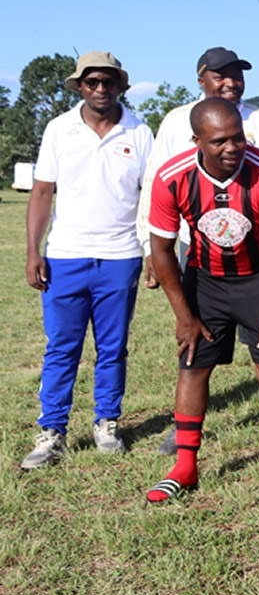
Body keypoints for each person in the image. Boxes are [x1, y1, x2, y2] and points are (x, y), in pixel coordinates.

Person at [137, 46, 259, 456]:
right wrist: (184, 315)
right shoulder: (173, 171)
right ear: (196, 140)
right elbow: (162, 245)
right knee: (192, 361)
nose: (232, 147)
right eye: (219, 141)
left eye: (238, 138)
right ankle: (184, 457)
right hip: (204, 272)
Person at [20, 52, 153, 471]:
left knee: (112, 348)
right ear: (79, 86)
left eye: (108, 81)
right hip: (65, 255)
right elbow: (42, 193)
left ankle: (106, 423)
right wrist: (32, 251)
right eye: (92, 81)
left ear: (121, 86)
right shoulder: (60, 129)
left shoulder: (140, 131)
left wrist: (151, 253)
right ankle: (52, 431)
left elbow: (150, 198)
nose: (100, 88)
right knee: (62, 348)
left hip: (121, 255)